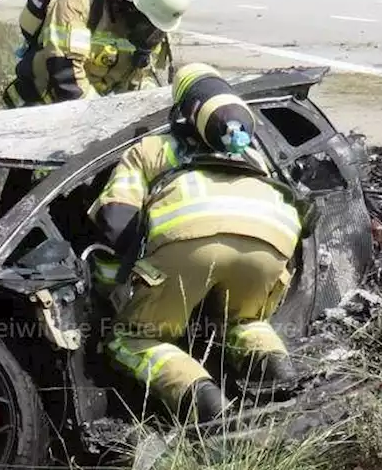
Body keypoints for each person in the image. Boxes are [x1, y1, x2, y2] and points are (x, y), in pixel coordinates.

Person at [88, 63, 304, 424]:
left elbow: (115, 221)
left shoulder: (152, 150)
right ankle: (276, 372)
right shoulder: (254, 157)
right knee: (242, 321)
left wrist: (119, 280)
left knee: (132, 339)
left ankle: (203, 401)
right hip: (273, 244)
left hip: (190, 244)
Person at [2, 0, 188, 108]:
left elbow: (142, 76)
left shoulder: (153, 24)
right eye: (149, 24)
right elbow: (66, 77)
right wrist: (102, 118)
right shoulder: (77, 3)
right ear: (133, 7)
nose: (153, 32)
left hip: (91, 108)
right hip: (38, 107)